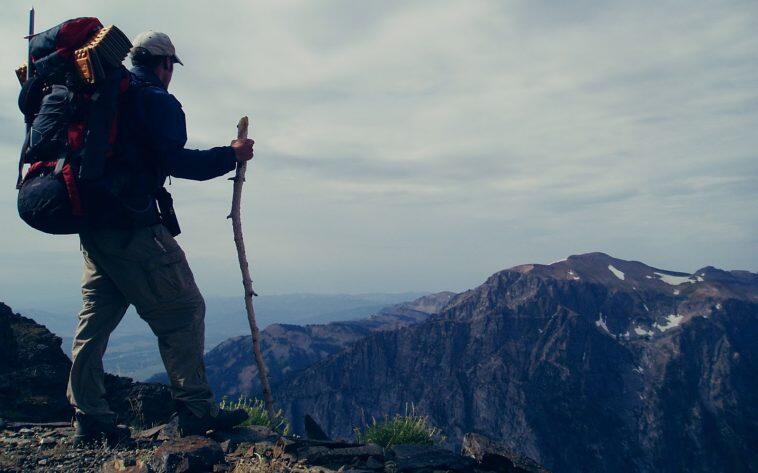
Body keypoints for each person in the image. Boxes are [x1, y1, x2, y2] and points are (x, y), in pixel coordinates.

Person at [67, 30, 253, 446]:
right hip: (132, 226)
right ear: (164, 64)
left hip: (94, 225)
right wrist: (231, 154)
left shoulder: (106, 97)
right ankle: (196, 411)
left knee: (95, 320)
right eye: (172, 67)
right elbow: (174, 160)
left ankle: (88, 414)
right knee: (185, 309)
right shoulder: (155, 99)